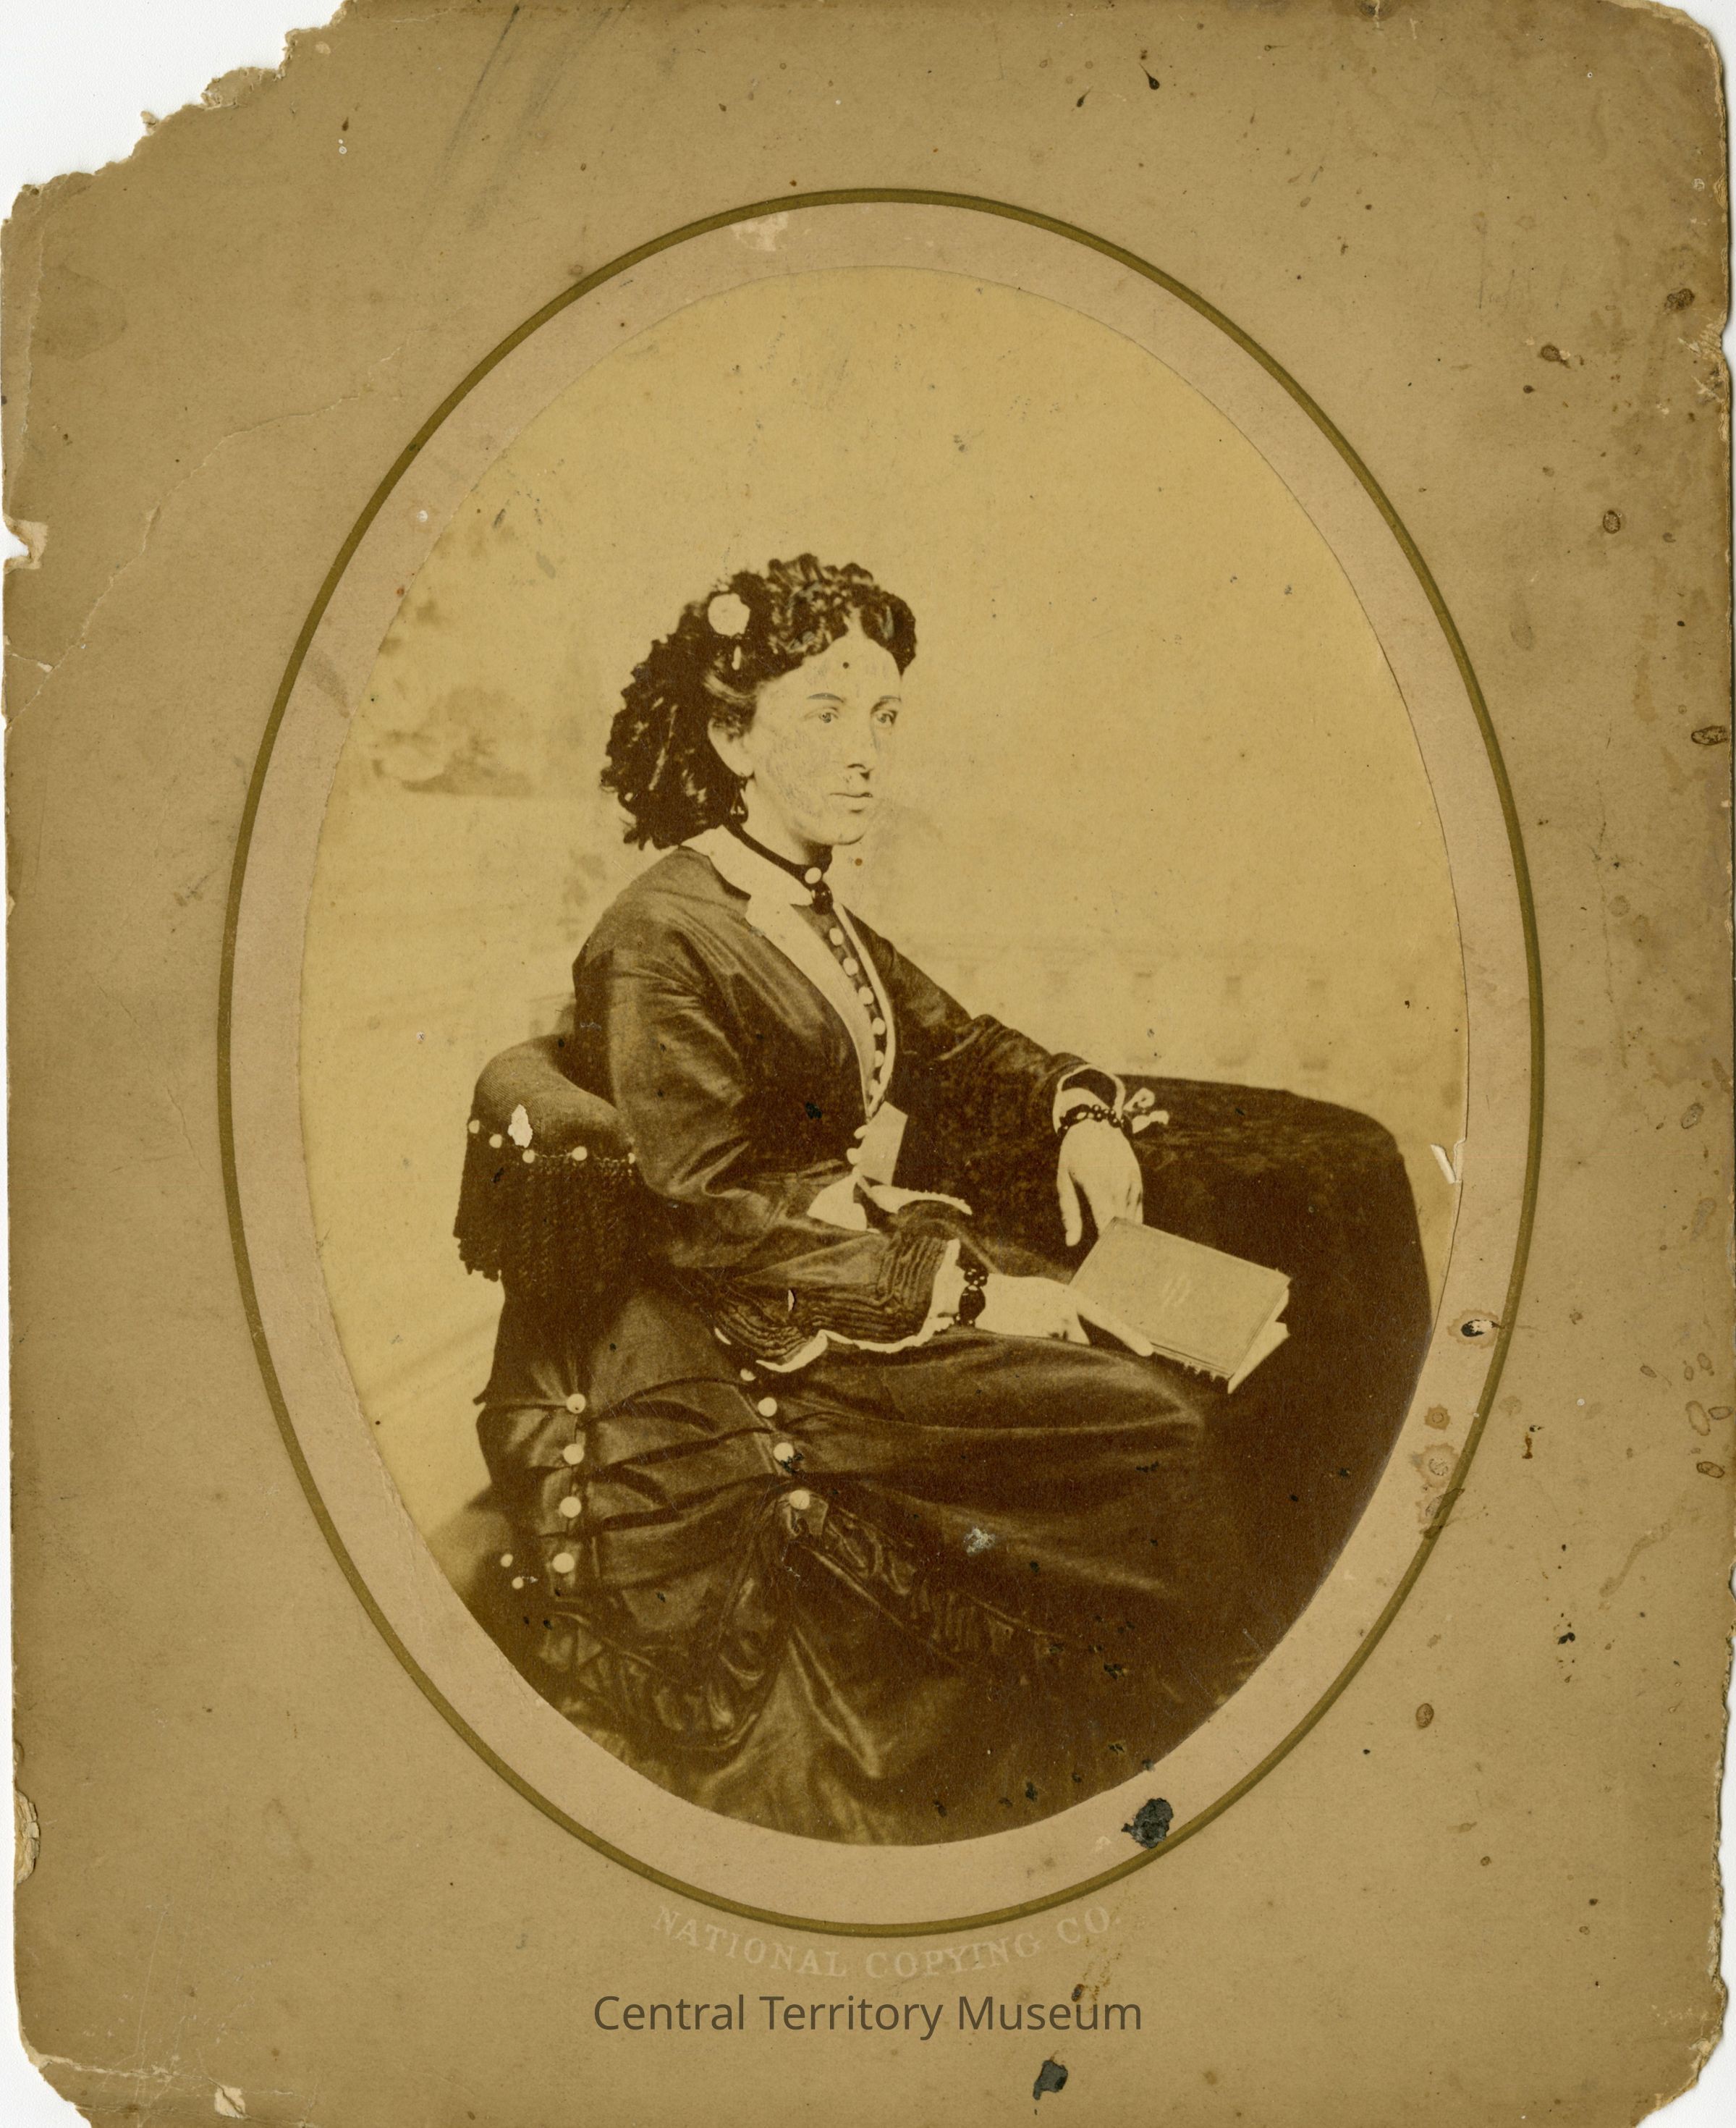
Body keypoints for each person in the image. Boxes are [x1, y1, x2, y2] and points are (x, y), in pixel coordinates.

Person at [468, 555, 1413, 1844]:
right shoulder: (662, 934)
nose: (867, 754)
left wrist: (1077, 1111)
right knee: (1161, 1427)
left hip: (850, 1270)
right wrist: (973, 1297)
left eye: (884, 716)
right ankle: (1171, 1778)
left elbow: (958, 1051)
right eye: (825, 714)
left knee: (1207, 1350)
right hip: (749, 1337)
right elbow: (704, 1222)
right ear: (733, 736)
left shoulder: (800, 902)